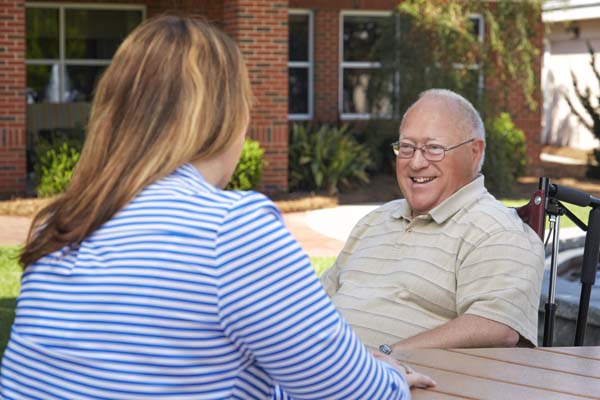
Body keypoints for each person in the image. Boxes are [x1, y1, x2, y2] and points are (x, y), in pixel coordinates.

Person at [0, 15, 435, 399]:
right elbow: (343, 389)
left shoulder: (59, 224)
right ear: (225, 118)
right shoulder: (229, 229)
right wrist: (389, 378)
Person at [321, 89, 545, 351]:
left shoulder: (496, 231)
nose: (416, 163)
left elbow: (496, 327)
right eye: (407, 147)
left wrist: (384, 360)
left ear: (474, 152)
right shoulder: (375, 220)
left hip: (403, 385)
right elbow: (317, 302)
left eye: (433, 149)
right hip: (317, 373)